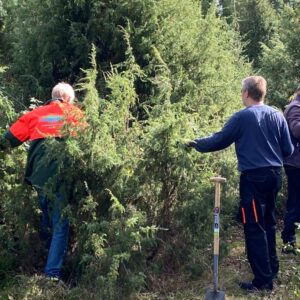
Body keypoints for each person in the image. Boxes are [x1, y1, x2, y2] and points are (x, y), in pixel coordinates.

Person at [186, 76, 293, 292]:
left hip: (253, 179)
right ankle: (271, 268)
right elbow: (289, 150)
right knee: (269, 222)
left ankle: (263, 282)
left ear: (246, 93)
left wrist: (194, 144)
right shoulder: (277, 115)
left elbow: (219, 140)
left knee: (254, 226)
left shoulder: (243, 117)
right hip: (274, 176)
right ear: (262, 93)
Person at [0, 83, 84, 280]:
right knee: (61, 223)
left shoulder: (36, 114)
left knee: (47, 217)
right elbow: (88, 146)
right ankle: (52, 274)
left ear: (53, 96)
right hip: (62, 175)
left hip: (39, 176)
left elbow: (7, 140)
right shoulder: (75, 115)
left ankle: (46, 256)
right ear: (68, 99)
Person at [281, 85, 300, 254]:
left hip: (295, 162)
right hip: (295, 163)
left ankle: (290, 239)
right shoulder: (295, 107)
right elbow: (296, 129)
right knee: (295, 203)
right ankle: (289, 241)